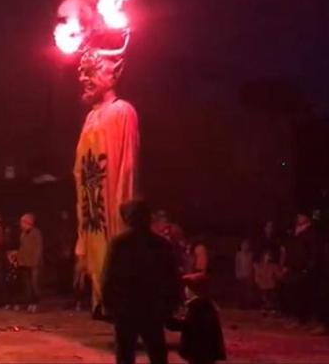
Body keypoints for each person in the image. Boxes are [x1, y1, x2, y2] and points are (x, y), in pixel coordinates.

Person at [73, 49, 140, 318]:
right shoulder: (90, 118)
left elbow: (127, 170)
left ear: (114, 73)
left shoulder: (122, 111)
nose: (84, 78)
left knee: (116, 269)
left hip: (111, 211)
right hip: (93, 212)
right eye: (83, 73)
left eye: (93, 71)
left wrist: (124, 221)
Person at [102, 200, 182, 364]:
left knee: (125, 354)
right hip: (153, 308)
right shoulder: (161, 244)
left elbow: (108, 278)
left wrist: (109, 306)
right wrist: (170, 307)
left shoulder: (119, 243)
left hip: (126, 309)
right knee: (157, 353)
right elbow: (172, 279)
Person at [281, 211, 328, 334]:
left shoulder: (312, 232)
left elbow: (314, 252)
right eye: (298, 215)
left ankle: (318, 323)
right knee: (294, 294)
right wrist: (286, 265)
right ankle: (300, 319)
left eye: (301, 215)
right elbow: (289, 249)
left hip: (307, 270)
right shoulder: (294, 232)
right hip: (294, 269)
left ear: (307, 217)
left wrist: (309, 268)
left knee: (311, 295)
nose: (298, 217)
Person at [165, 277, 227, 364]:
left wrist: (169, 321)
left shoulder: (197, 306)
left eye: (187, 287)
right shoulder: (206, 304)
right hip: (206, 350)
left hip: (198, 350)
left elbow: (188, 325)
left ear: (193, 290)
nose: (185, 290)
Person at [17, 213, 43, 313]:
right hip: (25, 262)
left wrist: (36, 261)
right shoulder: (22, 234)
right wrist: (19, 259)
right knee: (27, 284)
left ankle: (36, 303)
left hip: (34, 263)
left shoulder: (36, 233)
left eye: (22, 222)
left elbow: (39, 248)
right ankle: (30, 302)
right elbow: (22, 248)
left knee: (34, 284)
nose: (20, 224)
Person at [254, 249, 283, 317]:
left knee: (272, 298)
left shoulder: (273, 265)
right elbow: (257, 275)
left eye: (269, 256)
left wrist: (282, 272)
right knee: (264, 298)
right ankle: (264, 310)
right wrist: (258, 281)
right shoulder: (259, 265)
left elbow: (278, 275)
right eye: (266, 255)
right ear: (263, 256)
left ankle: (272, 311)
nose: (268, 257)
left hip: (271, 285)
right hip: (263, 285)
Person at [234, 239, 254, 309]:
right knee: (241, 291)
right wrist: (237, 273)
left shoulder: (251, 255)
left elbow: (251, 265)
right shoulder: (238, 254)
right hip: (241, 275)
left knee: (248, 291)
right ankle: (240, 305)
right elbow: (237, 265)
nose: (245, 247)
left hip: (248, 275)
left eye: (246, 245)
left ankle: (247, 305)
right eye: (243, 245)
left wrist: (251, 274)